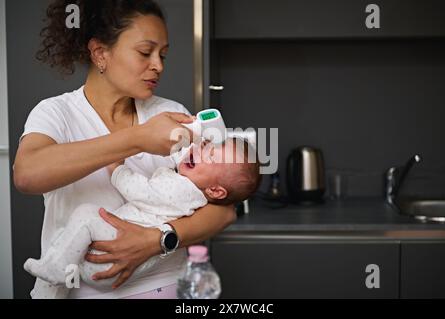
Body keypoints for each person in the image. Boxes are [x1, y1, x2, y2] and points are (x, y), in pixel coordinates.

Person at [13, 0, 237, 299]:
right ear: (100, 53)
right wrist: (138, 138)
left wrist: (158, 239)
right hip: (81, 290)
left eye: (163, 55)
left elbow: (223, 211)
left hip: (163, 284)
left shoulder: (172, 113)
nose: (158, 65)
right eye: (145, 52)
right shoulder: (56, 113)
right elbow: (27, 174)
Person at [23, 139, 261, 298]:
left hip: (112, 259)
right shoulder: (193, 190)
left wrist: (116, 169)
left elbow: (140, 191)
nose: (197, 149)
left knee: (85, 215)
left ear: (216, 192)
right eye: (205, 147)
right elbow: (180, 159)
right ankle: (50, 280)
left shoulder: (181, 189)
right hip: (108, 265)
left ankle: (51, 280)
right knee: (65, 243)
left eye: (211, 157)